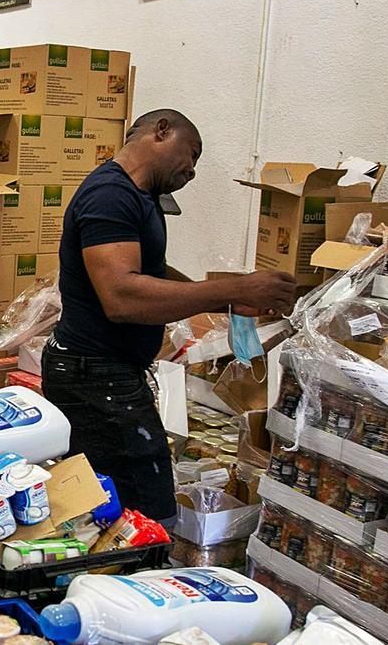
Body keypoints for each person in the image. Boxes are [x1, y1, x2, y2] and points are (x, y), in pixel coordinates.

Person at [42, 109, 296, 527]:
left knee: (117, 508)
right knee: (144, 512)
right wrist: (235, 288)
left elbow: (149, 273)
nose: (192, 170)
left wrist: (228, 302)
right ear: (161, 131)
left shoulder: (137, 197)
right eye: (192, 154)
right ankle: (125, 585)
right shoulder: (110, 194)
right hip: (95, 377)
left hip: (104, 372)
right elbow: (122, 296)